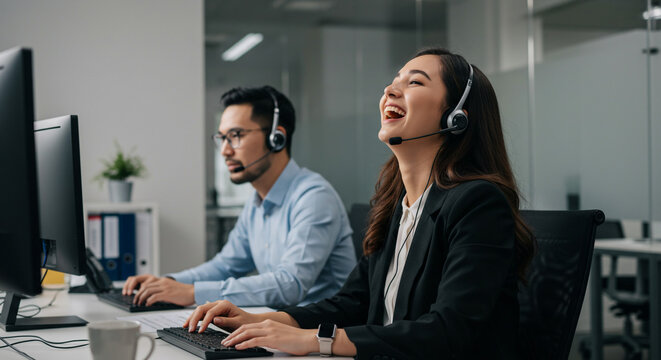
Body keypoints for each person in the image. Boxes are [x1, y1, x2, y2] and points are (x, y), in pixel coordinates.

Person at [183, 48, 536, 359]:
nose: (389, 90)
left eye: (415, 82)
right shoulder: (397, 202)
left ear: (456, 115)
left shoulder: (478, 202)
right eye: (393, 81)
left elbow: (447, 331)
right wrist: (263, 320)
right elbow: (354, 301)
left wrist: (314, 340)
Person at [122, 86, 356, 308]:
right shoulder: (256, 203)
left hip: (322, 337)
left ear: (277, 138)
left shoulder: (314, 197)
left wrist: (193, 293)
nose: (225, 151)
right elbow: (225, 266)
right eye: (222, 138)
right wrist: (169, 282)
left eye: (235, 135)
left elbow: (290, 284)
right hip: (281, 326)